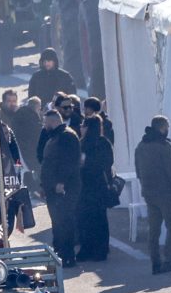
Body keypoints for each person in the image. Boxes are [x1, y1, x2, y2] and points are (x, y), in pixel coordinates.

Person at [135, 115, 171, 273]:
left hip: (149, 192)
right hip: (167, 193)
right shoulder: (165, 147)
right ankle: (170, 260)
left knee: (154, 230)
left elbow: (138, 171)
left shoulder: (141, 146)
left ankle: (156, 262)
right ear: (163, 128)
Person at [39, 107, 82, 265]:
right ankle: (59, 254)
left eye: (45, 122)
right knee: (57, 222)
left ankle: (67, 256)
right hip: (54, 188)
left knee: (64, 222)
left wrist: (61, 182)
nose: (44, 126)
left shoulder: (66, 137)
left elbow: (68, 162)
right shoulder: (56, 137)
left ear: (53, 121)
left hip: (64, 188)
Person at [75, 105, 116, 263]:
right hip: (85, 187)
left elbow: (107, 162)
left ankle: (100, 249)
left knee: (98, 219)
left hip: (97, 185)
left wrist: (87, 162)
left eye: (83, 125)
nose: (81, 128)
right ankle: (87, 248)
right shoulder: (81, 143)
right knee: (85, 219)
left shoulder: (102, 143)